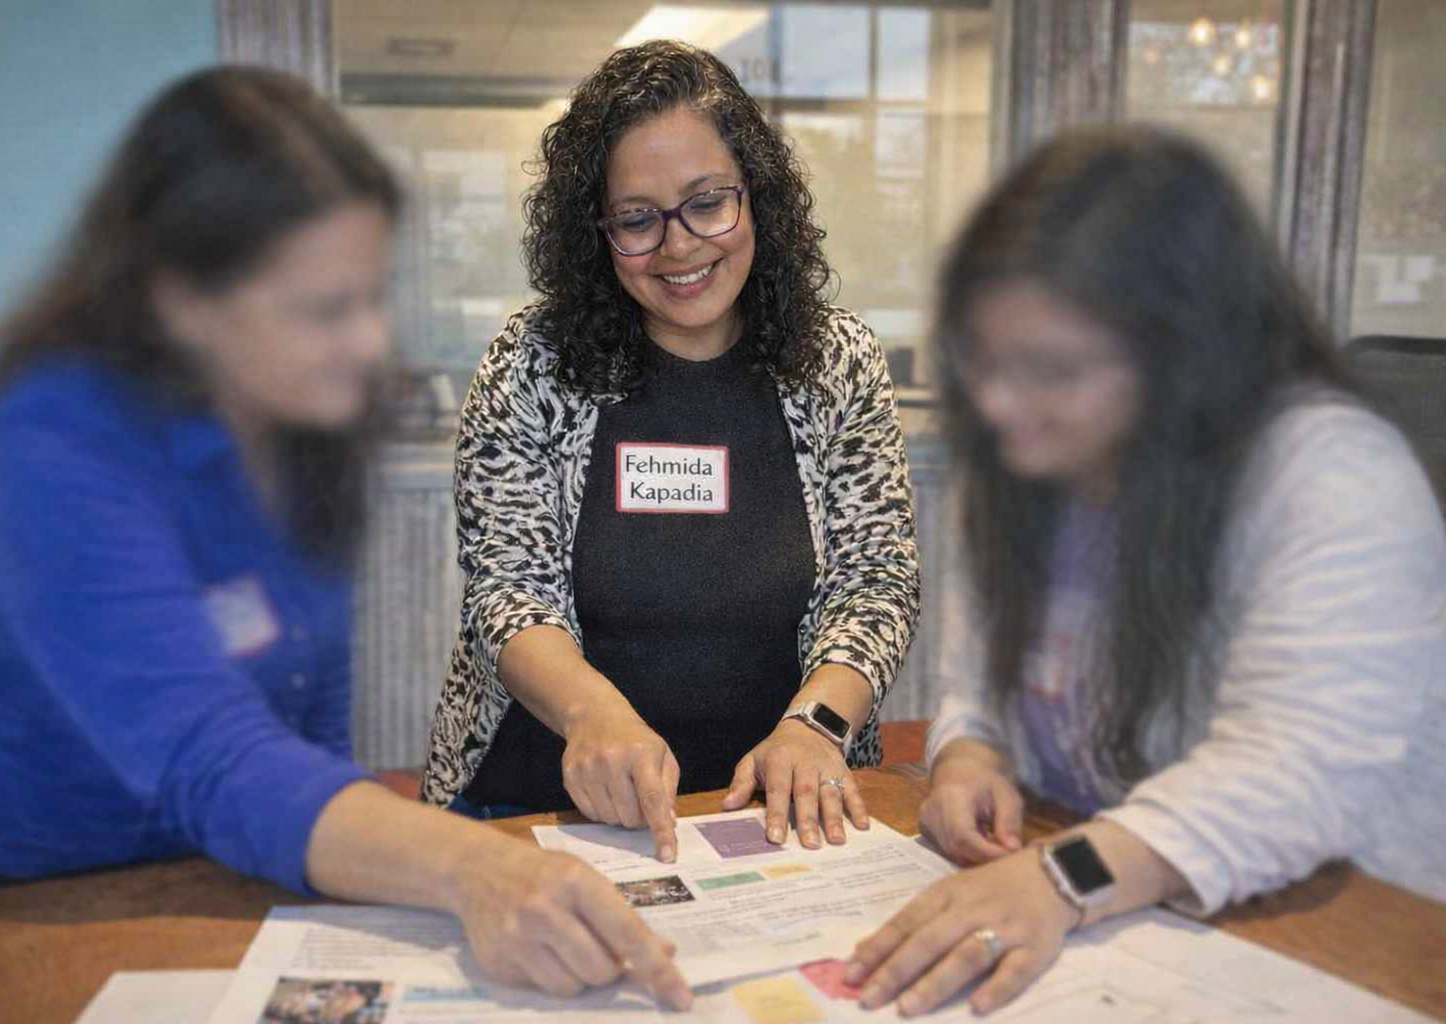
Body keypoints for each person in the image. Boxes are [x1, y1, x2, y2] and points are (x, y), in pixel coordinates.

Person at [0, 66, 690, 1010]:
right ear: (182, 303)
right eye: (325, 309)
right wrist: (476, 868)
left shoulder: (300, 424)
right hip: (13, 898)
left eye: (372, 296)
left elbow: (306, 720)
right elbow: (209, 750)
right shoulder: (47, 444)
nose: (370, 344)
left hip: (230, 867)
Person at [846, 125, 1446, 1016]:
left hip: (1335, 926)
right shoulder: (1024, 457)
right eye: (986, 360)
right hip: (1115, 903)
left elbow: (1290, 775)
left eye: (1053, 369)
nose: (1003, 404)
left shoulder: (1330, 473)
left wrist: (1061, 880)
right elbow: (984, 681)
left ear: (1189, 354)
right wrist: (970, 756)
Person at [423, 40, 920, 861]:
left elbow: (877, 579)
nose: (680, 245)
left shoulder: (839, 362)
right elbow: (508, 588)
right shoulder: (531, 362)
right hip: (541, 807)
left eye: (706, 203)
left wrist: (816, 724)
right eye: (637, 218)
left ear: (755, 195)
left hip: (778, 808)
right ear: (597, 231)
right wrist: (593, 715)